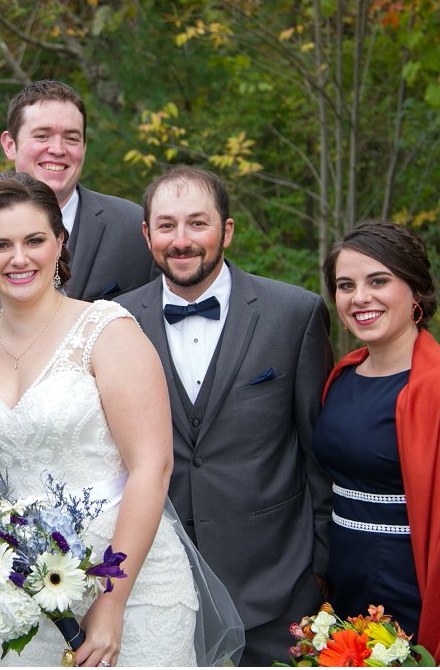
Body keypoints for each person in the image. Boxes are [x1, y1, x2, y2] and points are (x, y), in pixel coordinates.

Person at [0, 172, 244, 667]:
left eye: (34, 240)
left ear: (59, 243)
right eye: (0, 244)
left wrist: (111, 603)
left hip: (133, 584)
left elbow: (151, 467)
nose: (19, 258)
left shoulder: (106, 330)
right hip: (24, 590)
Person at [115, 167, 334, 666]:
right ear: (147, 234)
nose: (182, 240)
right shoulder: (113, 322)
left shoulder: (293, 315)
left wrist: (321, 568)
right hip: (160, 589)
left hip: (278, 588)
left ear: (227, 231)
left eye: (198, 223)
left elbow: (318, 453)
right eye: (166, 226)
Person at [315, 220, 440, 665]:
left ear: (416, 290)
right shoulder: (343, 375)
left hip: (418, 590)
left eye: (378, 281)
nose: (359, 297)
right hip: (348, 589)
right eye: (345, 285)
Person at [1, 80, 153, 301]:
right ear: (10, 145)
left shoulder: (133, 226)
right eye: (42, 136)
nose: (57, 149)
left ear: (84, 147)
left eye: (71, 138)